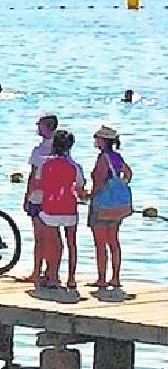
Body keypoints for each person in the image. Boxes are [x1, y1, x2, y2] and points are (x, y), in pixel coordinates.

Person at [34, 129, 88, 292]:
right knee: (72, 244)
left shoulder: (44, 164)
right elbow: (80, 190)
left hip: (50, 208)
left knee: (53, 244)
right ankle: (71, 278)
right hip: (69, 208)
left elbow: (39, 186)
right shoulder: (75, 166)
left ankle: (53, 276)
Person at [87, 125, 133, 291]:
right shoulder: (116, 157)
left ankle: (101, 279)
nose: (95, 140)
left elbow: (98, 183)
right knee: (113, 241)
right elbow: (128, 173)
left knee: (100, 244)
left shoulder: (102, 158)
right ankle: (115, 277)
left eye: (97, 138)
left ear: (103, 141)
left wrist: (88, 196)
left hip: (101, 205)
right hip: (116, 207)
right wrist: (119, 186)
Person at [24, 113, 60, 285]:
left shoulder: (39, 150)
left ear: (47, 127)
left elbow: (33, 175)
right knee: (53, 237)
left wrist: (26, 195)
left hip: (38, 197)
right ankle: (51, 271)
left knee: (39, 237)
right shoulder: (61, 148)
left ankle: (37, 271)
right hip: (55, 197)